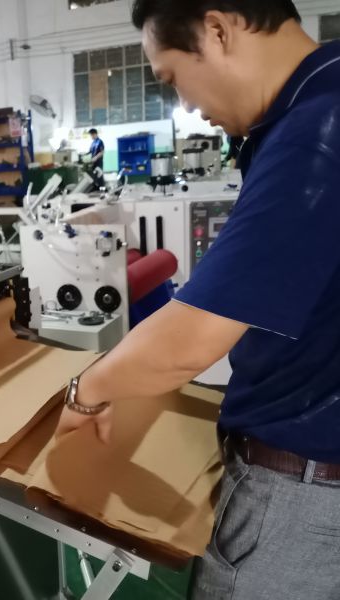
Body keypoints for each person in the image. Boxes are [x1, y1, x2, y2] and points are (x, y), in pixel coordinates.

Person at [56, 1, 340, 598]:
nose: (185, 105)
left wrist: (88, 391)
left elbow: (191, 342)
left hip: (303, 493)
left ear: (217, 29)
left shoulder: (315, 133)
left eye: (171, 78)